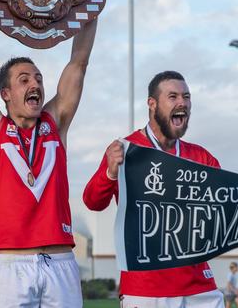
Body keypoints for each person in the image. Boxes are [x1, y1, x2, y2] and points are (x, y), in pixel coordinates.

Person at [0, 0, 109, 307]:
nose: (36, 83)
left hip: (60, 262)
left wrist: (95, 1)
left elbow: (78, 63)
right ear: (6, 94)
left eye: (38, 78)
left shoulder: (55, 122)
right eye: (24, 79)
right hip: (11, 265)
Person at [83, 71, 225, 307]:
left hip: (200, 286)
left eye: (186, 96)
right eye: (173, 96)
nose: (182, 102)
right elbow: (92, 201)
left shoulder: (202, 157)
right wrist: (110, 173)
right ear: (152, 103)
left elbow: (222, 214)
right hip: (145, 288)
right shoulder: (124, 150)